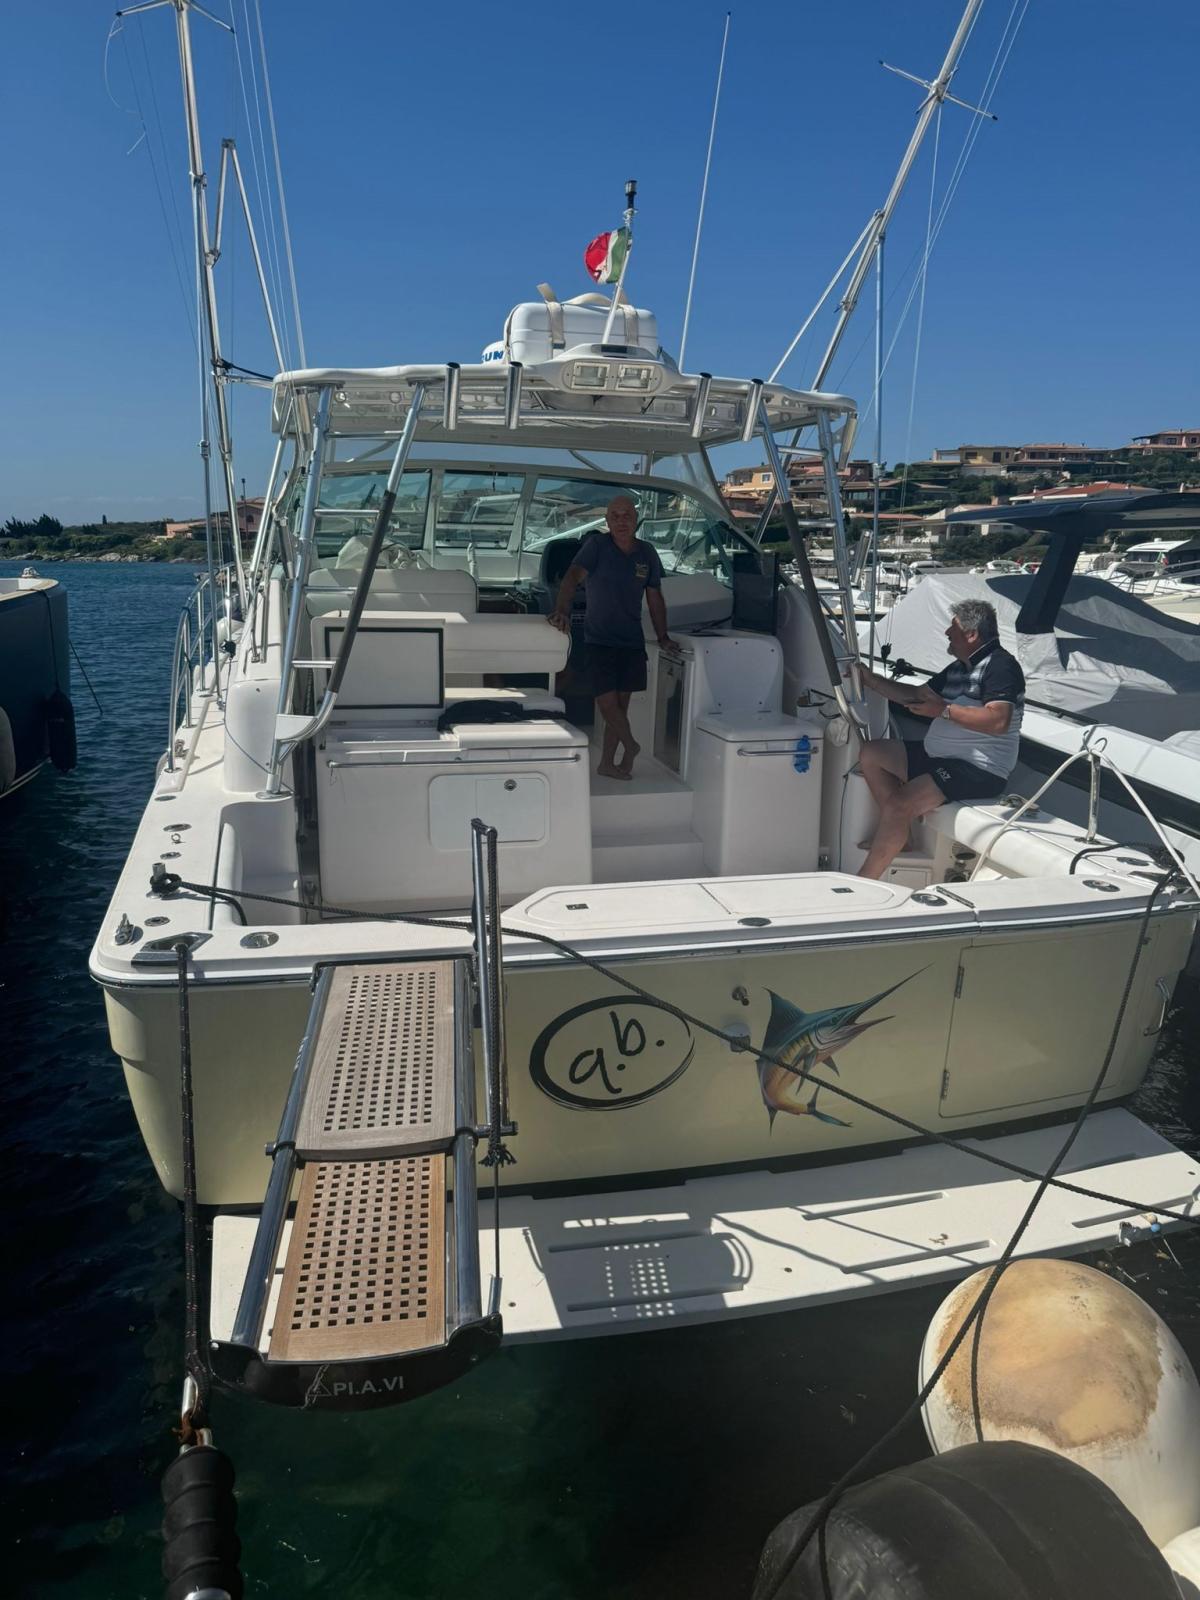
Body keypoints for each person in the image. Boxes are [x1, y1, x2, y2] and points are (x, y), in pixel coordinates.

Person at [853, 598, 1025, 880]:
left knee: (900, 803)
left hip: (978, 769)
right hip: (941, 758)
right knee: (873, 753)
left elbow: (998, 721)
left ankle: (864, 881)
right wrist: (870, 680)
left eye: (952, 627)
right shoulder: (960, 666)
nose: (947, 632)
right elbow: (916, 696)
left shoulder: (1000, 666)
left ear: (971, 634)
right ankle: (902, 837)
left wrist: (944, 711)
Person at [548, 494, 676, 780]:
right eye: (615, 516)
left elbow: (655, 598)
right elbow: (571, 577)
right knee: (606, 704)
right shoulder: (596, 546)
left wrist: (663, 636)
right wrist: (562, 610)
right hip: (599, 639)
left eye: (627, 515)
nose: (621, 521)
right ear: (607, 521)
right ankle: (631, 746)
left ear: (636, 520)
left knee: (619, 708)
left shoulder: (647, 553)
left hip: (631, 641)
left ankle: (607, 763)